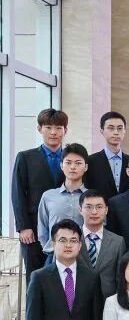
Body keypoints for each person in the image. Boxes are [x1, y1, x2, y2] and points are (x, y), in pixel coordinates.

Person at [13, 109, 69, 278]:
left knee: (64, 276)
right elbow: (18, 193)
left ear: (65, 130)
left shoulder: (71, 158)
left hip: (65, 228)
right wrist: (24, 227)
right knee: (35, 276)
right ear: (39, 129)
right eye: (48, 127)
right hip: (33, 229)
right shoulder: (25, 157)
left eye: (58, 128)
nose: (53, 132)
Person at [36, 145, 88, 256]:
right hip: (54, 256)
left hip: (85, 256)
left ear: (85, 167)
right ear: (61, 165)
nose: (72, 167)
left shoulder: (92, 198)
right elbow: (42, 230)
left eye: (78, 163)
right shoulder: (48, 196)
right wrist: (52, 249)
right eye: (68, 162)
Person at [76, 190, 126, 299]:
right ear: (80, 210)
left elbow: (120, 279)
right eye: (88, 207)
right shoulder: (71, 239)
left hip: (107, 301)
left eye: (99, 207)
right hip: (76, 300)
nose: (94, 212)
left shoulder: (118, 242)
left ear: (106, 210)